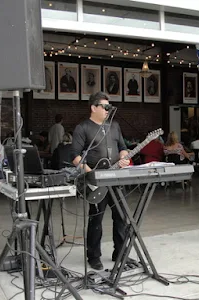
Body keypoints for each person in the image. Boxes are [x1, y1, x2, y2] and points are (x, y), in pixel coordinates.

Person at [71, 91, 130, 270]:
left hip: (116, 178)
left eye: (108, 107)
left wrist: (124, 157)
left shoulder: (114, 126)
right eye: (104, 107)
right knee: (96, 220)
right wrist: (90, 174)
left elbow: (123, 147)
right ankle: (94, 256)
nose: (107, 110)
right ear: (93, 107)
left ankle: (119, 253)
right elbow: (75, 156)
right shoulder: (83, 128)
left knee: (121, 217)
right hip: (96, 181)